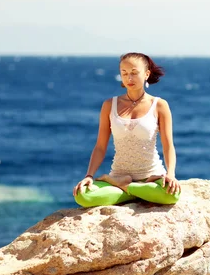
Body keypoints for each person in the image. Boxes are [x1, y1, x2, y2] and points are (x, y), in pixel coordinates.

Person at [73, 53, 181, 207]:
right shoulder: (109, 105)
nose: (129, 78)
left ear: (146, 74)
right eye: (124, 73)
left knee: (172, 195)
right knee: (83, 195)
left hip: (151, 177)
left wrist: (170, 174)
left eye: (134, 73)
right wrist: (89, 175)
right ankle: (136, 191)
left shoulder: (159, 105)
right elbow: (100, 146)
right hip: (118, 175)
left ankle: (126, 189)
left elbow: (168, 145)